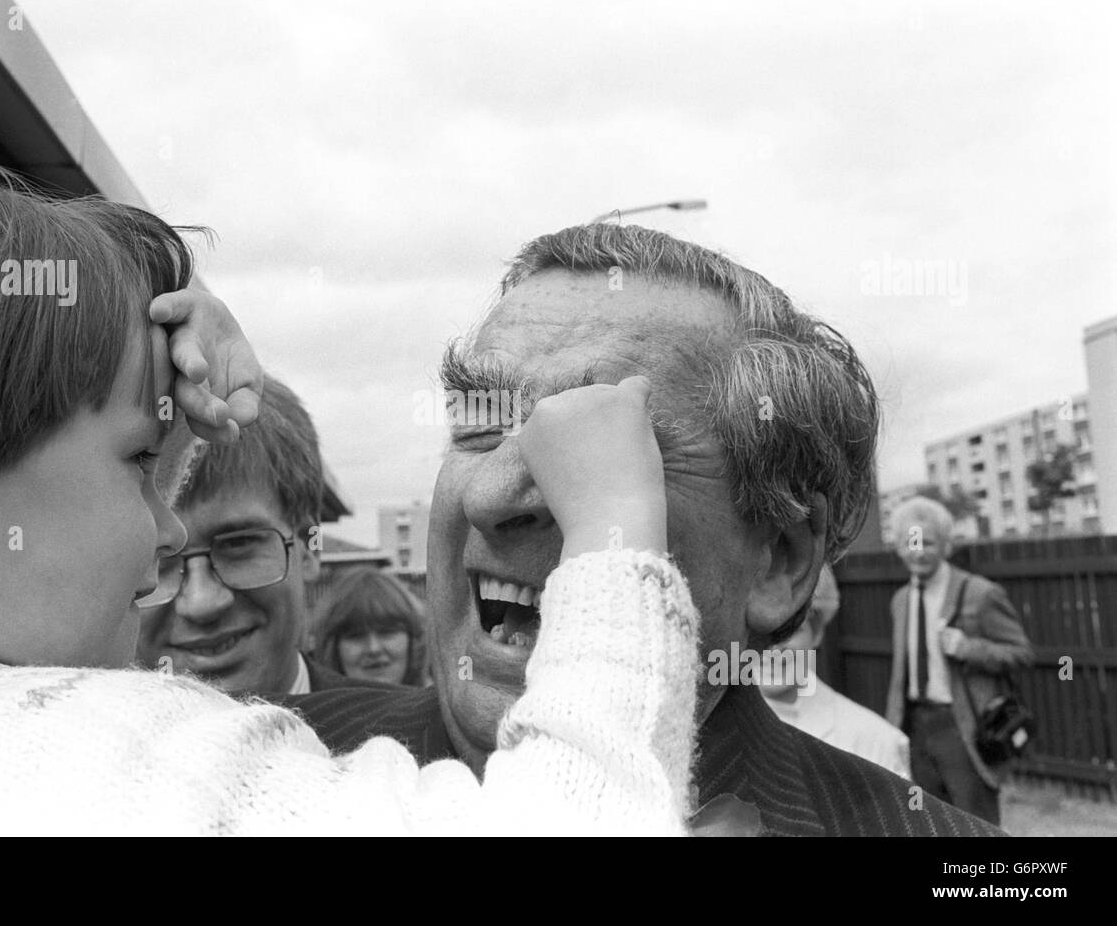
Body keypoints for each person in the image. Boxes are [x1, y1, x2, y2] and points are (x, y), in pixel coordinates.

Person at [0, 154, 703, 835]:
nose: (169, 537)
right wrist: (616, 536)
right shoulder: (133, 761)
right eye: (139, 461)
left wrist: (135, 351)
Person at [289, 223, 1004, 836]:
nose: (491, 494)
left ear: (779, 560)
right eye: (479, 423)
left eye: (609, 445)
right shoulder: (267, 767)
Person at [135, 375, 354, 694]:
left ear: (309, 547)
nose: (201, 603)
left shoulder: (424, 740)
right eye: (159, 557)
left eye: (238, 544)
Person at [884, 497, 1033, 825]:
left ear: (947, 546)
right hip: (913, 728)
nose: (918, 552)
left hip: (962, 728)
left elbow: (1022, 654)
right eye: (911, 543)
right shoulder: (900, 600)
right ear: (897, 546)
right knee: (925, 824)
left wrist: (969, 648)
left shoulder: (980, 594)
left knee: (973, 826)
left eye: (929, 542)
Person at [760, 566, 910, 779]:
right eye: (759, 630)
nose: (773, 647)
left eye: (790, 631)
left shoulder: (876, 743)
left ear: (817, 633)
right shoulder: (709, 736)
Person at [314, 568, 429, 686]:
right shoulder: (307, 704)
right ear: (332, 648)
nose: (373, 649)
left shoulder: (443, 702)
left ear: (414, 640)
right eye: (356, 636)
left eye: (387, 632)